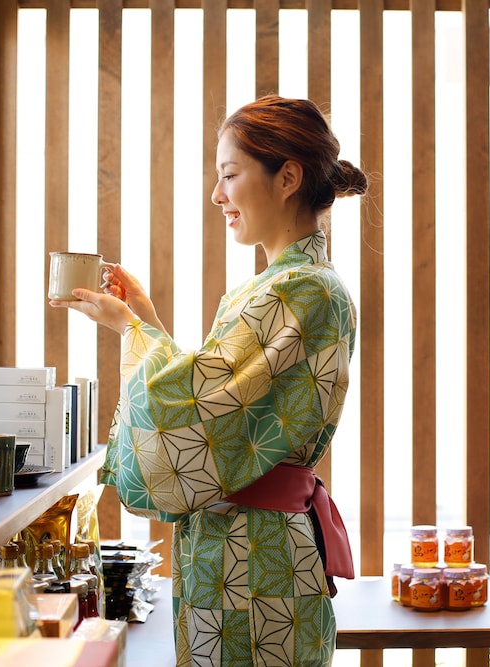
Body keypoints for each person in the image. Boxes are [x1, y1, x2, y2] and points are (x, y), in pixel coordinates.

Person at [51, 95, 367, 666]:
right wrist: (143, 317)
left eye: (229, 175)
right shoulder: (286, 284)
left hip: (254, 554)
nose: (217, 195)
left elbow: (201, 406)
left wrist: (129, 329)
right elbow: (216, 399)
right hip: (238, 546)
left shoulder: (303, 288)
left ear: (288, 177)